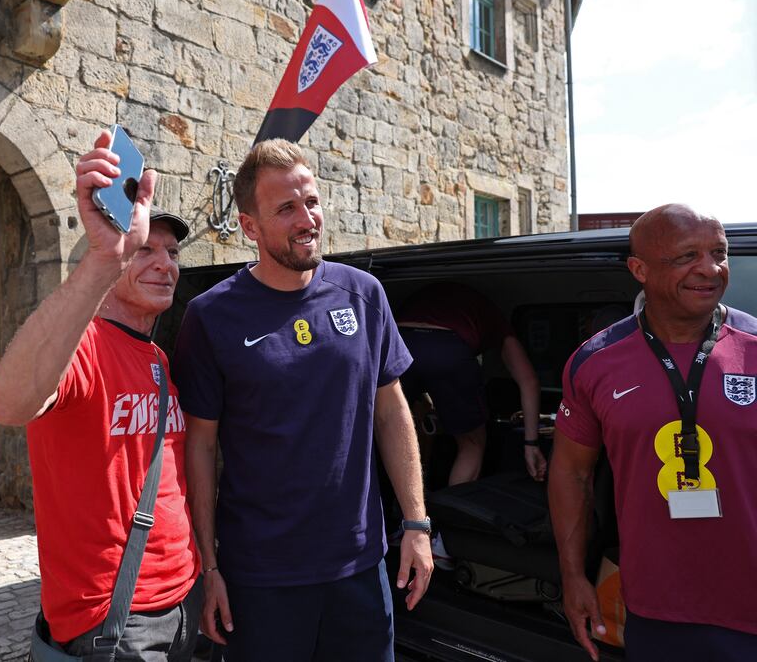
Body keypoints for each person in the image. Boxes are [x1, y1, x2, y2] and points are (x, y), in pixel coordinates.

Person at [173, 139, 433, 662]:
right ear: (250, 227)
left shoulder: (364, 294)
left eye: (311, 201)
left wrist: (416, 524)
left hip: (359, 566)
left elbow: (392, 412)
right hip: (261, 575)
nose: (306, 218)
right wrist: (210, 567)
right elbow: (199, 447)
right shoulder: (211, 316)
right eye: (286, 208)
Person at [0, 129, 201, 660]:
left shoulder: (158, 358)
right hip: (113, 617)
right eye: (144, 249)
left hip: (182, 602)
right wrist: (104, 261)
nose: (164, 263)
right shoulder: (80, 345)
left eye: (172, 252)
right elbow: (7, 405)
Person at [549, 204, 757, 661]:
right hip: (656, 610)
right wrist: (573, 576)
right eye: (686, 256)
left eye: (719, 253)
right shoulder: (595, 361)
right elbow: (571, 474)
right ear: (639, 269)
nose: (710, 268)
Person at [395, 282, 545, 486]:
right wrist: (531, 444)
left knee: (390, 431)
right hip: (448, 348)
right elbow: (529, 381)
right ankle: (451, 516)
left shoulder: (423, 297)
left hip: (397, 341)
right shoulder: (494, 317)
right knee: (472, 443)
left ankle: (392, 506)